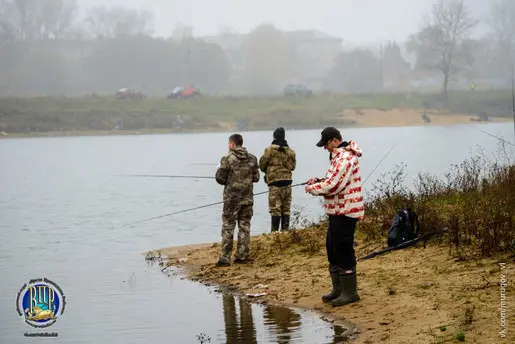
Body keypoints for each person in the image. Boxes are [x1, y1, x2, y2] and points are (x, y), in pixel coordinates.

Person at [304, 127, 364, 307]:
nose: (325, 148)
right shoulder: (338, 157)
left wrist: (312, 189)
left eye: (326, 144)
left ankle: (350, 292)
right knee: (332, 248)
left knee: (343, 249)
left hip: (346, 211)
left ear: (334, 141)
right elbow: (332, 181)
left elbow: (334, 186)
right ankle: (338, 289)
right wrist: (318, 181)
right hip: (336, 211)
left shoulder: (345, 158)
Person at [215, 133, 260, 266]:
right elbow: (256, 178)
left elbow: (220, 178)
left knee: (228, 227)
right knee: (244, 226)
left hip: (231, 200)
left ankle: (225, 258)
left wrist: (221, 170)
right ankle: (242, 255)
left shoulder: (227, 158)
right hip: (247, 198)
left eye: (229, 143)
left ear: (233, 144)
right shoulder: (252, 158)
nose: (228, 146)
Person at [259, 127, 296, 232]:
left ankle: (274, 233)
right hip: (288, 183)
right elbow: (293, 167)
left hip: (275, 184)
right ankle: (285, 231)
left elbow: (262, 165)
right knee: (286, 208)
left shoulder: (269, 150)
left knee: (275, 209)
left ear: (274, 137)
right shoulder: (291, 152)